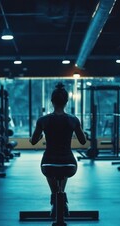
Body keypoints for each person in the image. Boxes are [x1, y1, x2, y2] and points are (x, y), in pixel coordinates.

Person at [29, 82, 87, 216]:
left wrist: (37, 137)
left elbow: (33, 141)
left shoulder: (43, 120)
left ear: (52, 101)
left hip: (48, 163)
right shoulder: (73, 120)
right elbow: (83, 141)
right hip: (69, 164)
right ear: (66, 101)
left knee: (52, 169)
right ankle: (60, 199)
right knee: (63, 167)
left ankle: (56, 198)